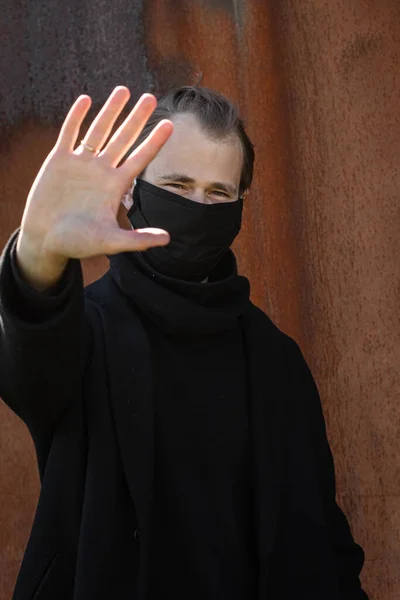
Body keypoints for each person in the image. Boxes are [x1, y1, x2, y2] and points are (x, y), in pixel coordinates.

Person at [0, 85, 369, 600]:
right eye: (176, 185)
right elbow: (28, 365)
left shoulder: (275, 358)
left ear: (240, 204)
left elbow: (324, 542)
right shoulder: (87, 331)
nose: (198, 207)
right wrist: (37, 256)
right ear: (131, 191)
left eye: (218, 193)